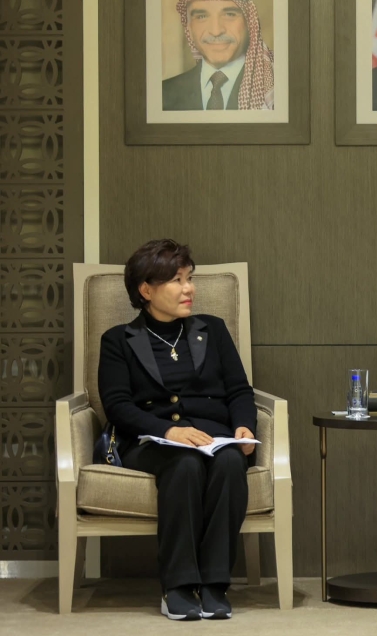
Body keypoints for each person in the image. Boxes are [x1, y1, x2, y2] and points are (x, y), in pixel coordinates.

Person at [98, 239, 257, 620]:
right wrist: (168, 432)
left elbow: (239, 390)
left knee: (230, 463)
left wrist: (243, 426)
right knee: (184, 465)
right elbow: (117, 405)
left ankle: (215, 584)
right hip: (151, 441)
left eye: (189, 278)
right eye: (177, 280)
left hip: (213, 437)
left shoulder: (213, 330)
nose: (189, 289)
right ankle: (178, 586)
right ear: (146, 290)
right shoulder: (118, 340)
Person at [162, 0, 275, 111]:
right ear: (189, 27)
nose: (216, 31)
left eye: (229, 14)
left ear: (249, 23)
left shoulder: (277, 87)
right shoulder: (163, 94)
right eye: (202, 16)